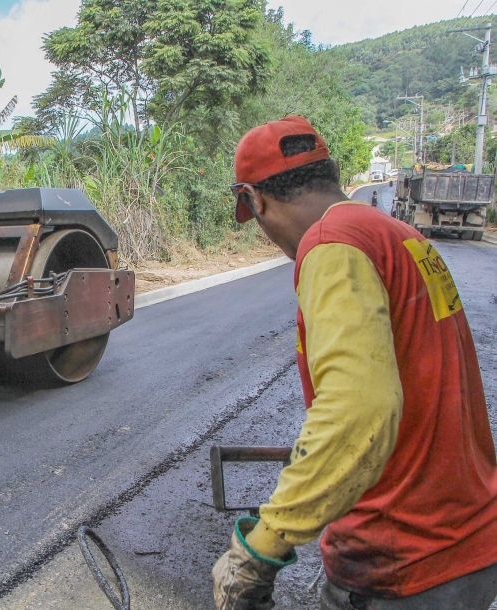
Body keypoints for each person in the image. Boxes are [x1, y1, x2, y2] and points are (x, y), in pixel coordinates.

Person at [212, 116, 497, 610]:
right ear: (331, 173)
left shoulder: (331, 247)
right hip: (468, 539)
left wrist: (259, 547)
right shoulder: (397, 235)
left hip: (405, 559)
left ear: (255, 200)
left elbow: (358, 410)